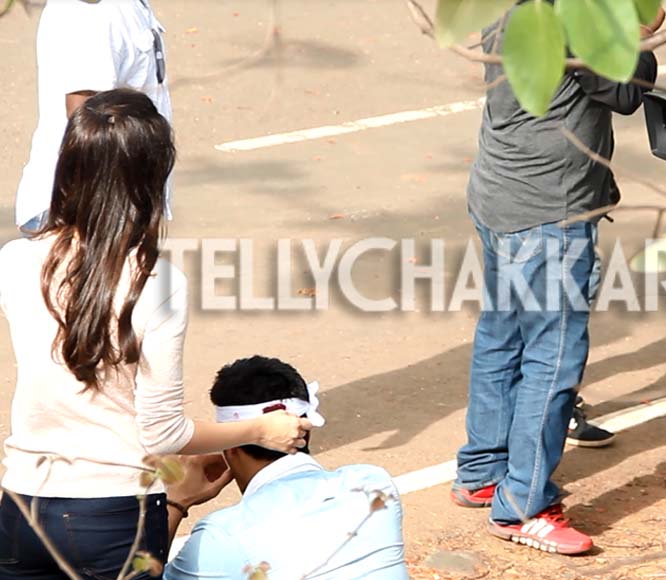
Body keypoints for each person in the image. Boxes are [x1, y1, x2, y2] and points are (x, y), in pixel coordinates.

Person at [0, 90, 309, 580]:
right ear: (149, 181)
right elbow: (162, 432)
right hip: (114, 515)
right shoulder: (156, 283)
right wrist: (261, 430)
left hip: (23, 508)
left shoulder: (16, 261)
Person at [451, 2, 665, 554]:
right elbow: (625, 89)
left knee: (502, 336)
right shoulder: (576, 22)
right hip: (550, 214)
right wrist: (640, 30)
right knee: (553, 358)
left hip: (500, 193)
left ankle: (482, 470)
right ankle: (523, 507)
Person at [164, 356, 409, 580]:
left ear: (230, 448)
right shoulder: (374, 483)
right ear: (305, 430)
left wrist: (175, 502)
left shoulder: (220, 536)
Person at [15, 0, 173, 233]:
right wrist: (103, 224)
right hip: (84, 214)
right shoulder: (91, 13)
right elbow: (86, 119)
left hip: (111, 206)